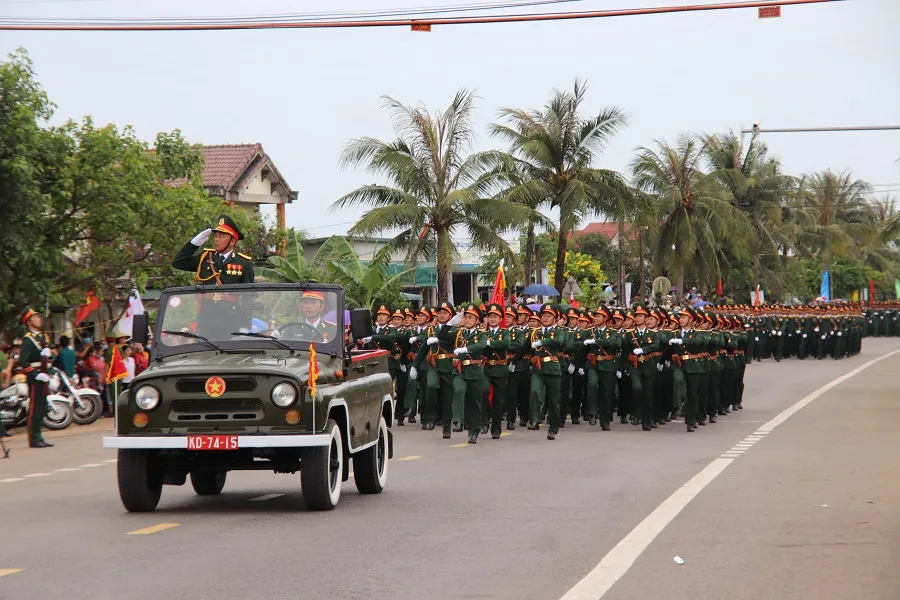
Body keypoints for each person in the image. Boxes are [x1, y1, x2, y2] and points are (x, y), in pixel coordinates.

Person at [3, 309, 55, 448]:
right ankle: (34, 438)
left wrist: (50, 355)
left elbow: (51, 356)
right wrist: (35, 374)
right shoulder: (28, 340)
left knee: (42, 407)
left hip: (44, 375)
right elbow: (24, 361)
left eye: (38, 317)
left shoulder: (43, 337)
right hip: (36, 377)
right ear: (29, 322)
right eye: (35, 317)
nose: (39, 319)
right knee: (34, 408)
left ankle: (39, 436)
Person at [172, 215, 255, 285]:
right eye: (215, 236)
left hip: (229, 304)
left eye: (221, 236)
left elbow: (249, 295)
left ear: (232, 241)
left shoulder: (243, 263)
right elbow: (178, 263)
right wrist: (194, 244)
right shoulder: (205, 257)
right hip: (207, 304)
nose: (216, 239)